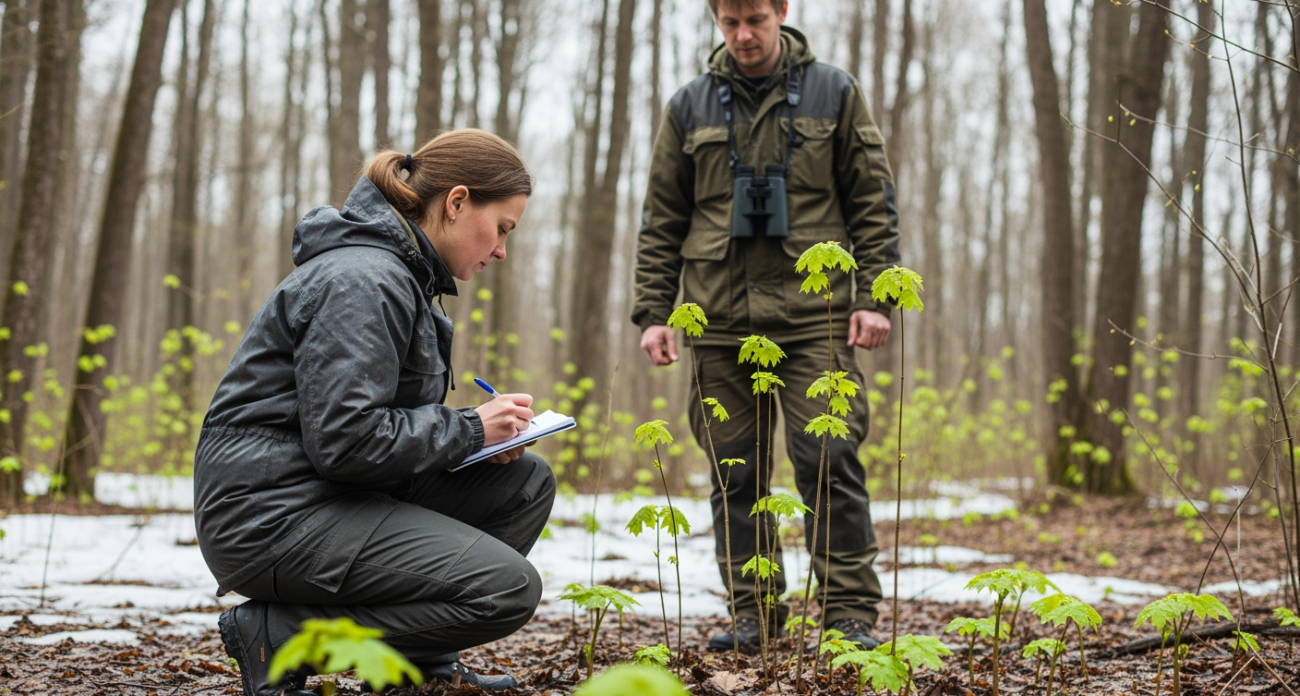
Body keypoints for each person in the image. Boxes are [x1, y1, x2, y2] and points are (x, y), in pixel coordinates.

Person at [195, 129, 554, 695]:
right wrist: (468, 428)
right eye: (503, 228)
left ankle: (417, 667)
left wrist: (481, 441)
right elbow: (347, 441)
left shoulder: (400, 277)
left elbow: (361, 429)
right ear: (457, 203)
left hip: (329, 495)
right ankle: (282, 636)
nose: (502, 250)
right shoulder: (363, 279)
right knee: (505, 589)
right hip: (270, 515)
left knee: (522, 484)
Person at [632, 0, 901, 651]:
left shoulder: (835, 91)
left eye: (755, 19)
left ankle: (848, 615)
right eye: (730, 23)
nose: (744, 35)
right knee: (735, 470)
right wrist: (653, 312)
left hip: (816, 317)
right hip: (718, 321)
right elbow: (662, 217)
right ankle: (753, 613)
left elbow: (872, 201)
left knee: (829, 457)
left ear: (781, 10)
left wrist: (873, 297)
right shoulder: (689, 104)